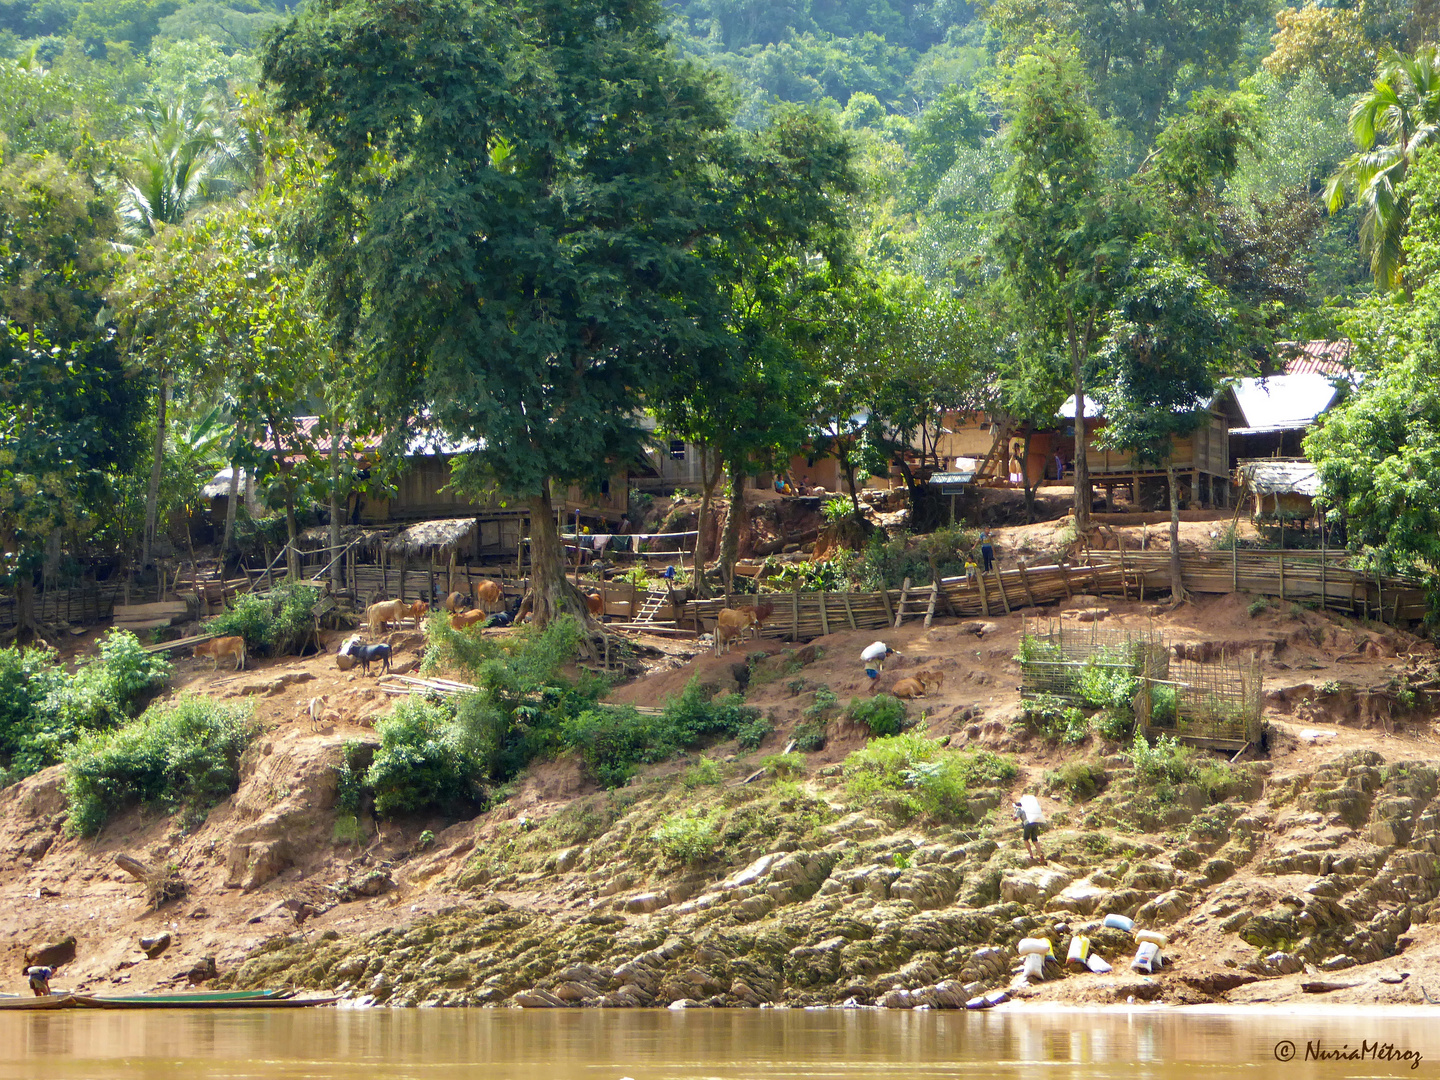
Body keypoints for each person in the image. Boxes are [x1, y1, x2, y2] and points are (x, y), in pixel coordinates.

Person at [1014, 795, 1047, 863]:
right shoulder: (1027, 809)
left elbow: (1015, 818)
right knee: (1034, 840)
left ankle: (1031, 855)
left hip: (1027, 824)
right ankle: (1040, 854)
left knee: (1025, 839)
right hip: (1034, 823)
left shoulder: (1019, 809)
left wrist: (1013, 815)